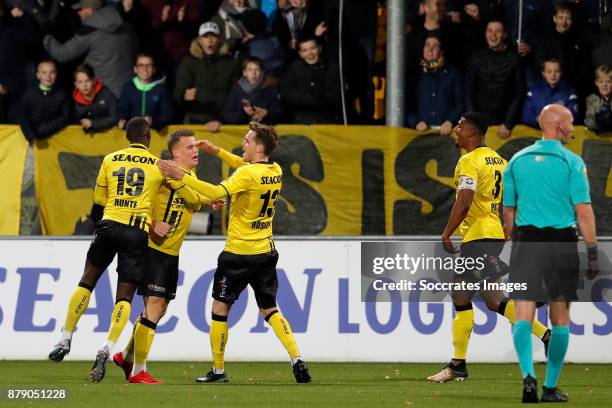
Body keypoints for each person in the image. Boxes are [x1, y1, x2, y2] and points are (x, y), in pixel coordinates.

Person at [47, 117, 200, 384]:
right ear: (148, 138)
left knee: (87, 281)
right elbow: (187, 195)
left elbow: (98, 199)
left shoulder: (111, 159)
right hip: (136, 232)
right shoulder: (158, 165)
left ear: (127, 137)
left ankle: (65, 338)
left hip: (109, 225)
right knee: (124, 299)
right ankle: (106, 348)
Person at [157, 122, 312, 384]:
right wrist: (217, 151)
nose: (243, 143)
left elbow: (218, 192)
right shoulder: (275, 170)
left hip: (238, 253)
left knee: (220, 309)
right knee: (270, 309)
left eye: (248, 140)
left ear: (259, 147)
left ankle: (218, 371)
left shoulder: (246, 175)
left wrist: (180, 176)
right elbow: (244, 167)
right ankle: (297, 359)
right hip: (265, 251)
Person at [427, 112, 550, 383]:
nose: (456, 130)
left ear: (472, 131)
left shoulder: (469, 161)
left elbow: (464, 201)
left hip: (478, 238)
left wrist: (447, 233)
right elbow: (511, 199)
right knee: (494, 300)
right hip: (493, 234)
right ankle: (545, 334)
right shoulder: (500, 161)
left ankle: (458, 364)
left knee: (460, 295)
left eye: (459, 126)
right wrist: (507, 228)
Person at [112, 129, 224, 384]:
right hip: (152, 248)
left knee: (158, 309)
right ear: (175, 153)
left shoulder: (189, 176)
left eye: (196, 146)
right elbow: (139, 200)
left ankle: (126, 356)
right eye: (190, 147)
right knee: (154, 306)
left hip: (170, 253)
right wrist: (152, 223)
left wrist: (207, 201)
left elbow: (192, 199)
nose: (196, 150)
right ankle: (138, 370)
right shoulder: (161, 171)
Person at [503, 104, 599, 403]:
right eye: (570, 123)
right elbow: (583, 210)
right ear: (557, 126)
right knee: (560, 316)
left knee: (523, 313)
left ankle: (527, 378)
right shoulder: (572, 162)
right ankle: (549, 387)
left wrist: (513, 238)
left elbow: (508, 212)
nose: (573, 127)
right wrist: (593, 250)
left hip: (527, 240)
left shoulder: (516, 161)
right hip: (561, 242)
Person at [42, 0, 135, 98]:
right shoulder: (126, 24)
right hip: (127, 89)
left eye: (81, 9)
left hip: (103, 92)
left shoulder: (89, 31)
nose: (78, 12)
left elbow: (62, 54)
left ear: (89, 10)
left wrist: (46, 35)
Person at [174, 21, 240, 130]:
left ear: (219, 39)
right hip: (196, 120)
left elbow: (235, 93)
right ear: (199, 40)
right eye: (205, 36)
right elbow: (178, 92)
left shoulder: (231, 63)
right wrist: (184, 95)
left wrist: (222, 119)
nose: (210, 40)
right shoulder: (189, 62)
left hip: (223, 122)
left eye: (213, 36)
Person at [465, 20, 525, 139]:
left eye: (497, 31)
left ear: (504, 35)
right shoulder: (476, 56)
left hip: (504, 124)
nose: (493, 35)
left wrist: (508, 123)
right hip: (480, 121)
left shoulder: (514, 59)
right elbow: (468, 91)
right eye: (490, 31)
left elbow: (519, 93)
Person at [406, 35, 463, 135]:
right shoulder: (414, 74)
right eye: (427, 45)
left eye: (435, 46)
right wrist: (415, 122)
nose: (430, 49)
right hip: (420, 135)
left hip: (448, 135)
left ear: (441, 52)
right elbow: (405, 104)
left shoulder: (453, 74)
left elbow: (462, 102)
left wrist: (450, 121)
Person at [280, 36, 342, 124]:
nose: (310, 53)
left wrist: (319, 99)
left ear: (319, 49)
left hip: (329, 118)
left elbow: (338, 95)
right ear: (300, 53)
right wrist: (309, 99)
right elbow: (287, 94)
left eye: (313, 48)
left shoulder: (332, 68)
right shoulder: (294, 68)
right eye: (305, 50)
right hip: (301, 119)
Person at [221, 56, 284, 124]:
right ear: (244, 72)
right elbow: (226, 114)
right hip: (243, 131)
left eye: (257, 69)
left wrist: (266, 113)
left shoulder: (270, 89)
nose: (253, 73)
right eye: (250, 69)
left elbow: (280, 112)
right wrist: (245, 114)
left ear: (262, 72)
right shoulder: (237, 90)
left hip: (264, 130)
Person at [118, 53, 173, 130]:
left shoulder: (161, 89)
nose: (145, 69)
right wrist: (122, 119)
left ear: (154, 69)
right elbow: (122, 109)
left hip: (155, 136)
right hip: (132, 135)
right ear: (135, 69)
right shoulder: (127, 88)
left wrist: (153, 121)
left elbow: (167, 115)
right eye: (141, 65)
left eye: (149, 65)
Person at [19, 59, 70, 142]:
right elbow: (22, 115)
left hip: (54, 139)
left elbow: (65, 117)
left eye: (52, 72)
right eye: (44, 72)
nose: (48, 76)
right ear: (38, 75)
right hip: (31, 139)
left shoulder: (62, 95)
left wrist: (42, 131)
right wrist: (30, 133)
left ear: (56, 74)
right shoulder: (29, 93)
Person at [521, 59, 578, 128]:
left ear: (561, 72)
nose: (553, 75)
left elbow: (572, 116)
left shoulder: (569, 92)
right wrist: (537, 119)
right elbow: (526, 116)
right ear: (543, 73)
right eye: (549, 72)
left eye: (556, 71)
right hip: (536, 132)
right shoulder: (534, 91)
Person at [72, 64, 118, 133]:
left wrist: (93, 123)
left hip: (109, 136)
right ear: (76, 85)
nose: (84, 85)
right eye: (80, 82)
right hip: (88, 139)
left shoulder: (106, 94)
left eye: (87, 81)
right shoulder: (75, 102)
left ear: (93, 81)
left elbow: (115, 117)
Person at [584, 65, 612, 133]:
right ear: (596, 83)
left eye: (608, 81)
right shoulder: (592, 99)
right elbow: (588, 121)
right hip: (598, 135)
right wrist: (598, 121)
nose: (604, 85)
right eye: (601, 81)